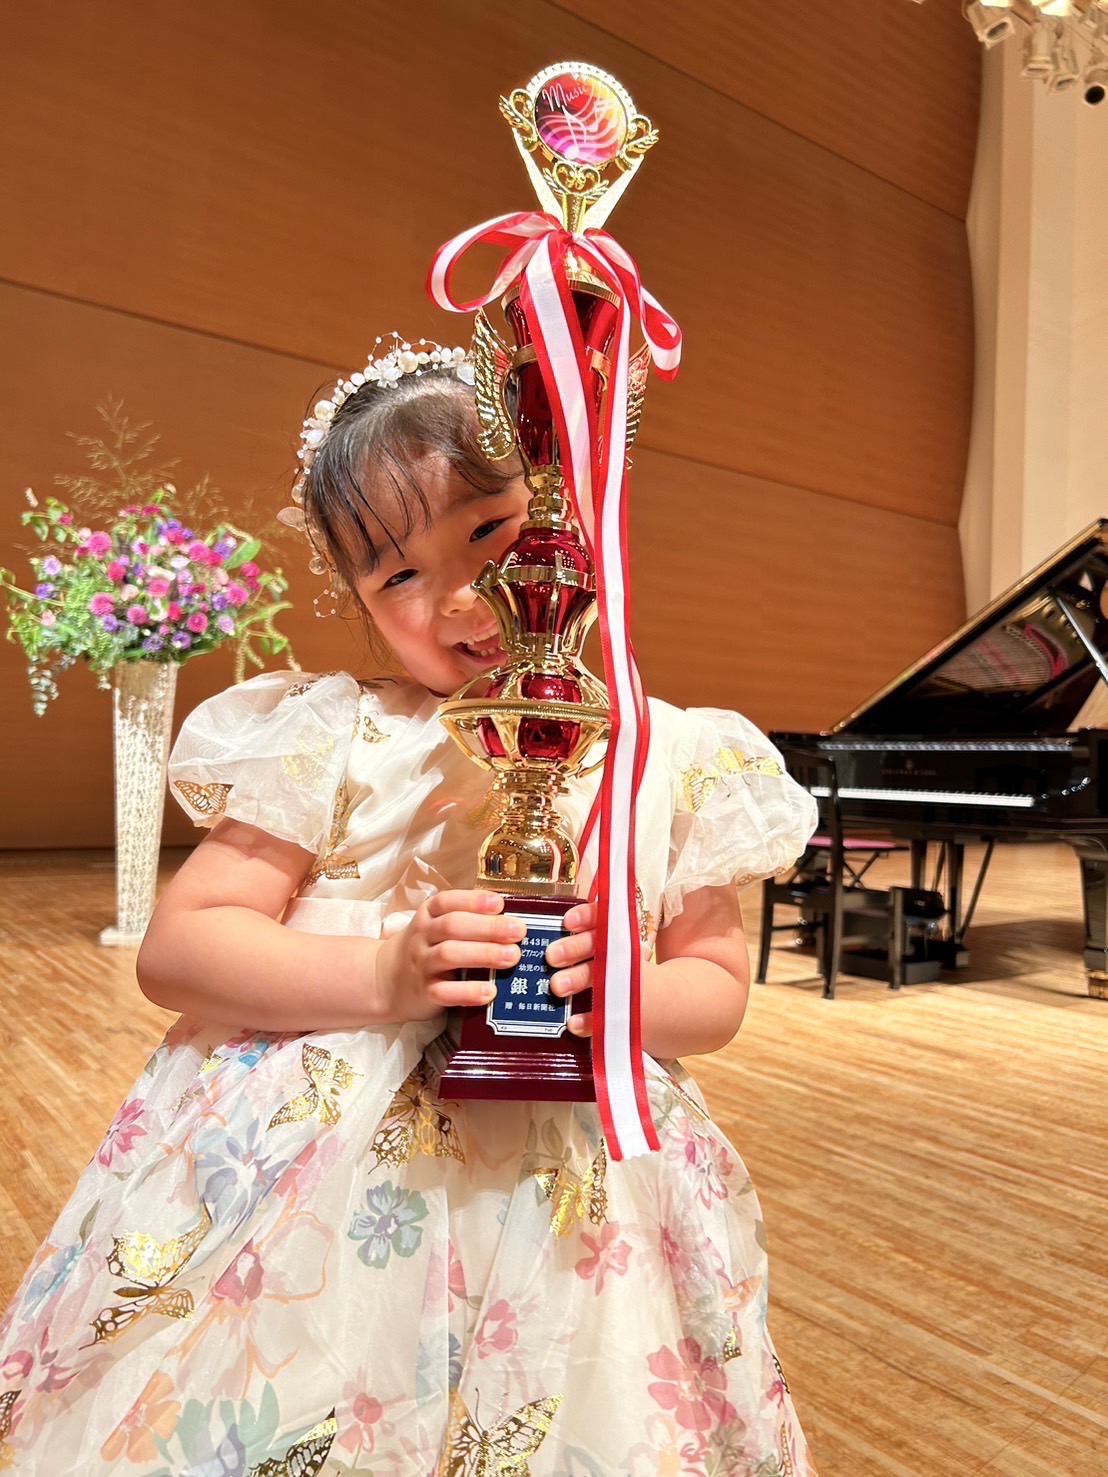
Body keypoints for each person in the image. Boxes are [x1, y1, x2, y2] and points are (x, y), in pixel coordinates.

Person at [0, 339, 819, 1476]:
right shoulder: (332, 732)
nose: (462, 600)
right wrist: (385, 974)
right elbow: (182, 947)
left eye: (489, 537)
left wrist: (625, 992)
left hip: (580, 1205)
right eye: (398, 576)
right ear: (354, 600)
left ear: (571, 519)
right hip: (311, 1207)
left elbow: (717, 988)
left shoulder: (668, 755)